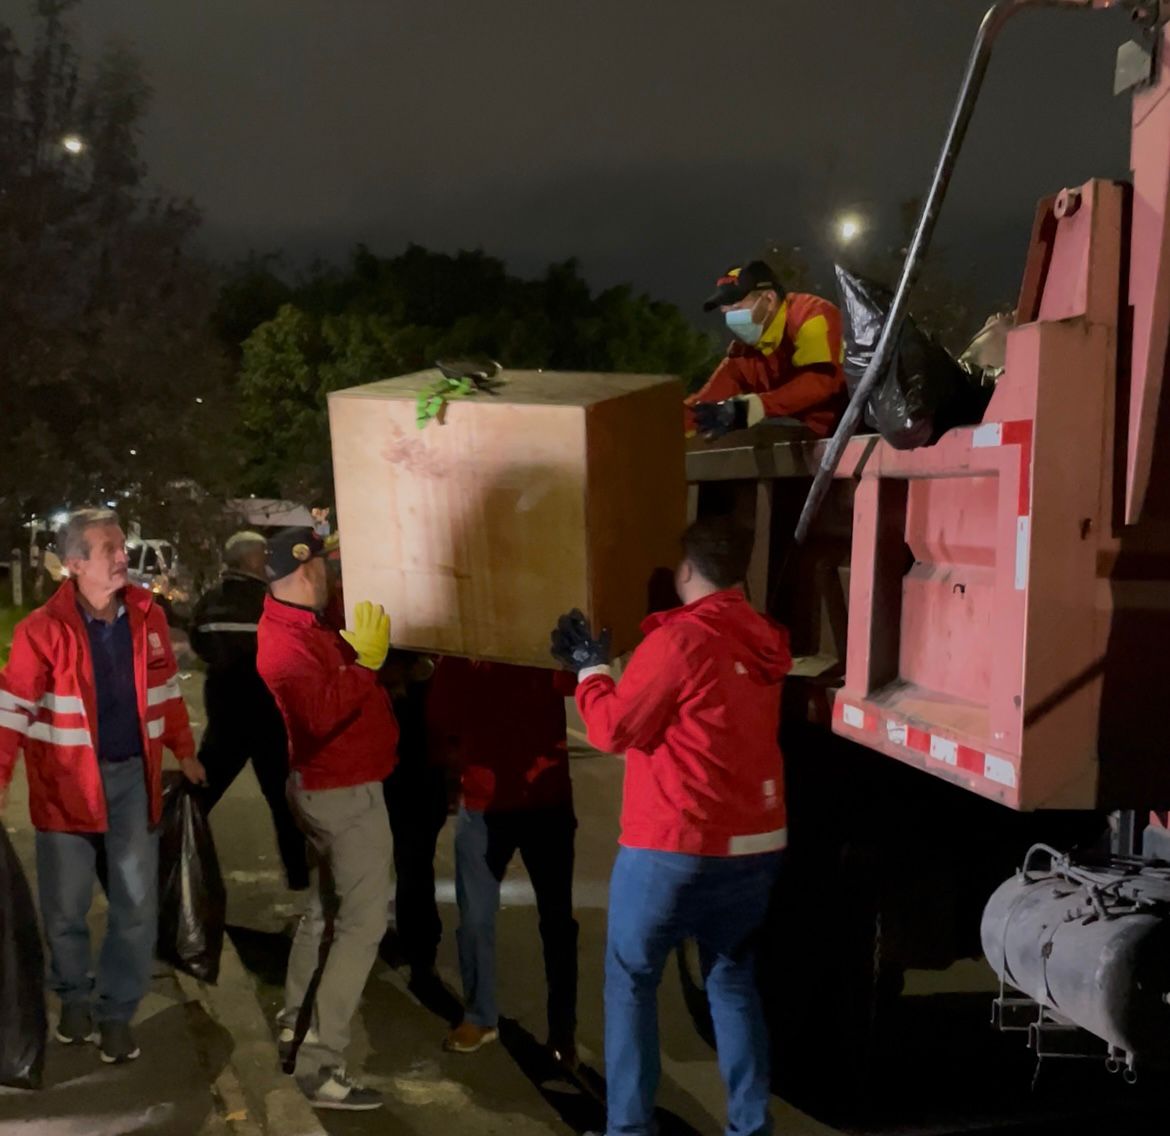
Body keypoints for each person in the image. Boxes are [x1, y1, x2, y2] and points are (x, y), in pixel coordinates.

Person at [550, 517, 791, 1136]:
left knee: (631, 978)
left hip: (675, 845)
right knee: (732, 979)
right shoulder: (764, 638)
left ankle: (630, 1127)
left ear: (686, 570)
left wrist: (590, 672)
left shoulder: (681, 641)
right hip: (756, 844)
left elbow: (613, 730)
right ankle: (749, 1124)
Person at [0, 508, 203, 1064]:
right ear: (74, 565)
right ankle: (73, 1000)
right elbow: (11, 709)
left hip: (130, 780)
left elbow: (163, 692)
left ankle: (116, 1013)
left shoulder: (146, 617)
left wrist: (183, 751)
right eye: (109, 548)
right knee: (65, 910)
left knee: (135, 907)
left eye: (122, 546)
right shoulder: (40, 631)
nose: (123, 557)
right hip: (63, 788)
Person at [256, 527, 397, 1112]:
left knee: (325, 913)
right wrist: (365, 666)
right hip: (344, 793)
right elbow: (318, 716)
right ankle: (320, 1065)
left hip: (328, 789)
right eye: (325, 568)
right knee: (363, 925)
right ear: (306, 571)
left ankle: (296, 1022)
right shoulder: (285, 646)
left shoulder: (296, 624)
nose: (332, 579)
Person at [427, 657, 579, 1066]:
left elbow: (575, 684)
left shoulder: (541, 640)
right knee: (475, 916)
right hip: (483, 804)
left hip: (546, 803)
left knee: (557, 921)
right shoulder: (462, 654)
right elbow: (441, 719)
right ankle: (479, 1016)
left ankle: (563, 1031)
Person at [189, 531, 308, 890]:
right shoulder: (272, 602)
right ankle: (301, 882)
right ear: (250, 560)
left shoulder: (209, 602)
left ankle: (168, 860)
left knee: (198, 797)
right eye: (263, 553)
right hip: (269, 719)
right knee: (286, 807)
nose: (267, 558)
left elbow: (201, 647)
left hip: (226, 717)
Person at [686, 258, 846, 440]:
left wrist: (755, 407)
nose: (731, 317)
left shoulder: (810, 316)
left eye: (737, 308)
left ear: (769, 299)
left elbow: (820, 382)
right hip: (813, 446)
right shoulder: (744, 353)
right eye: (726, 311)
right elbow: (703, 403)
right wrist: (662, 424)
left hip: (864, 437)